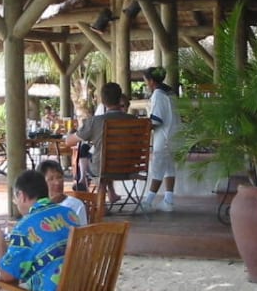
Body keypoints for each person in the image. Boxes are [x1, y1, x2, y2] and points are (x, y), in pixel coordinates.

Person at [64, 82, 133, 201]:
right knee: (106, 158)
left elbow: (69, 142)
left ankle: (101, 205)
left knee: (101, 162)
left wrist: (70, 133)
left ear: (103, 101)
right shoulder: (134, 120)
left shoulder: (96, 122)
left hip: (103, 168)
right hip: (129, 167)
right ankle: (111, 194)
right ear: (119, 98)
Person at [140, 67, 180, 213]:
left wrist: (142, 126)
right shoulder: (170, 93)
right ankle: (168, 200)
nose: (145, 83)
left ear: (151, 81)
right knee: (169, 168)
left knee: (157, 169)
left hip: (163, 137)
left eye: (145, 81)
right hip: (174, 135)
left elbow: (156, 120)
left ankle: (148, 202)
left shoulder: (157, 94)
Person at [39, 159, 88, 225]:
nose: (57, 182)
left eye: (59, 177)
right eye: (51, 179)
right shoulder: (37, 207)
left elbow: (82, 233)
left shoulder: (76, 205)